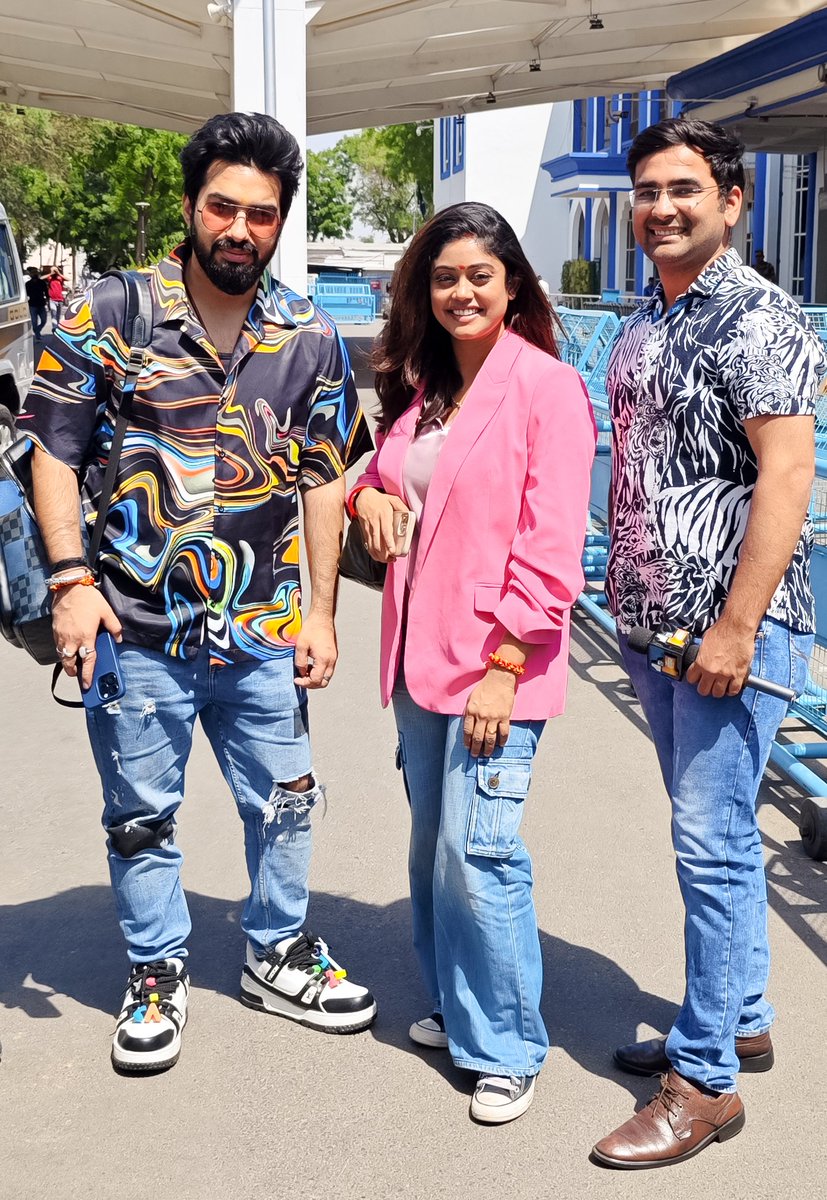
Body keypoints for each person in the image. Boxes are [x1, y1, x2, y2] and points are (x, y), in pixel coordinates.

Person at [18, 111, 377, 1073]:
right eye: (222, 206)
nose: (239, 229)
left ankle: (275, 952)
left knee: (289, 800)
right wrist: (69, 582)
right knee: (141, 813)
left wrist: (324, 615)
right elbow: (49, 446)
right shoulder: (113, 310)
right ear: (190, 206)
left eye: (261, 215)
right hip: (133, 630)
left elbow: (324, 478)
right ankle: (154, 970)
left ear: (279, 222)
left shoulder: (308, 335)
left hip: (261, 628)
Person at [593, 118, 825, 1168]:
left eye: (683, 188)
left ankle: (706, 1084)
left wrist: (735, 626)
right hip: (652, 628)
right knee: (715, 840)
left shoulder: (759, 317)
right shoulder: (647, 317)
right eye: (646, 190)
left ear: (730, 200)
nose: (660, 206)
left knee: (711, 847)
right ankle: (738, 1015)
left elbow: (783, 477)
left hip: (732, 631)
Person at [349, 202, 596, 1124]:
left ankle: (506, 1046)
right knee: (430, 853)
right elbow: (392, 475)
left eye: (478, 276)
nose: (460, 291)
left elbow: (550, 544)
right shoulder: (425, 390)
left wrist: (505, 663)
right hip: (419, 662)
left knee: (478, 851)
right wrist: (371, 497)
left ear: (512, 286)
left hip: (499, 665)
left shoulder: (545, 389)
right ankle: (459, 1009)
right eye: (444, 277)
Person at [25, 268, 49, 341]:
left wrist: (48, 301)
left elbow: (46, 292)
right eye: (33, 273)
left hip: (41, 304)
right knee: (34, 322)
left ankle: (37, 331)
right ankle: (37, 335)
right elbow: (26, 294)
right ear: (31, 275)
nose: (35, 274)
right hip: (32, 305)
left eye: (36, 273)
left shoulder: (42, 282)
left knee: (44, 320)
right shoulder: (28, 284)